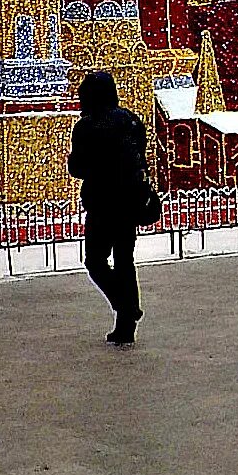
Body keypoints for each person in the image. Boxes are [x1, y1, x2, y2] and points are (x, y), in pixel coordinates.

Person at [67, 70, 147, 346]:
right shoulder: (131, 120)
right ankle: (126, 323)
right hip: (128, 202)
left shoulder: (86, 126)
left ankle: (125, 307)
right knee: (125, 260)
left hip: (102, 203)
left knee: (95, 261)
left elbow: (78, 167)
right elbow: (140, 159)